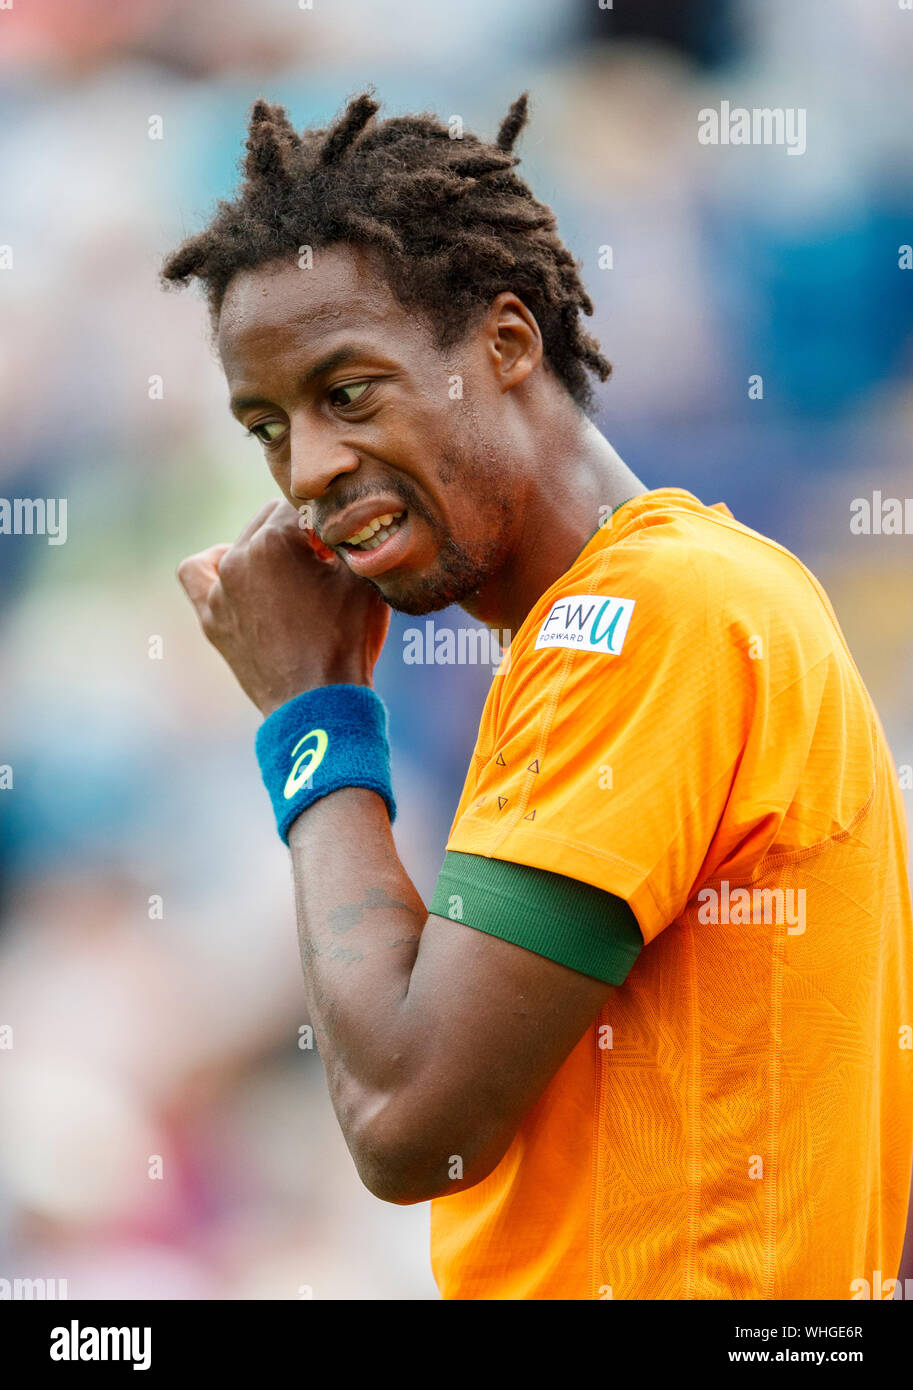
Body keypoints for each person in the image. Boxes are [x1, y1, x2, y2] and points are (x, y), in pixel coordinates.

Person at [165, 92, 913, 1300]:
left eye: (347, 391)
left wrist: (311, 715)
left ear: (507, 344)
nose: (305, 470)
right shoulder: (633, 614)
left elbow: (411, 1119)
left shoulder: (653, 614)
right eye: (267, 426)